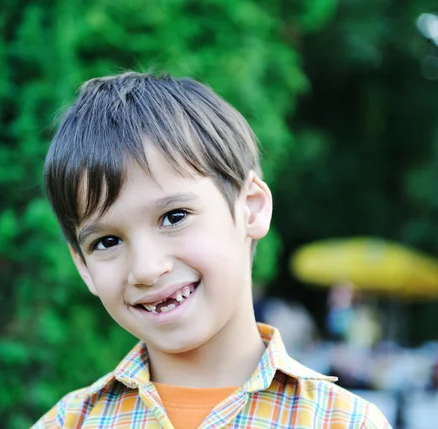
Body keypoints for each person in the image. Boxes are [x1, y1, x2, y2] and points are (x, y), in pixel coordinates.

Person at [32, 72, 392, 428]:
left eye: (174, 217)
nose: (146, 268)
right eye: (107, 242)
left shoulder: (341, 422)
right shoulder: (66, 423)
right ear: (82, 265)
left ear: (250, 207)